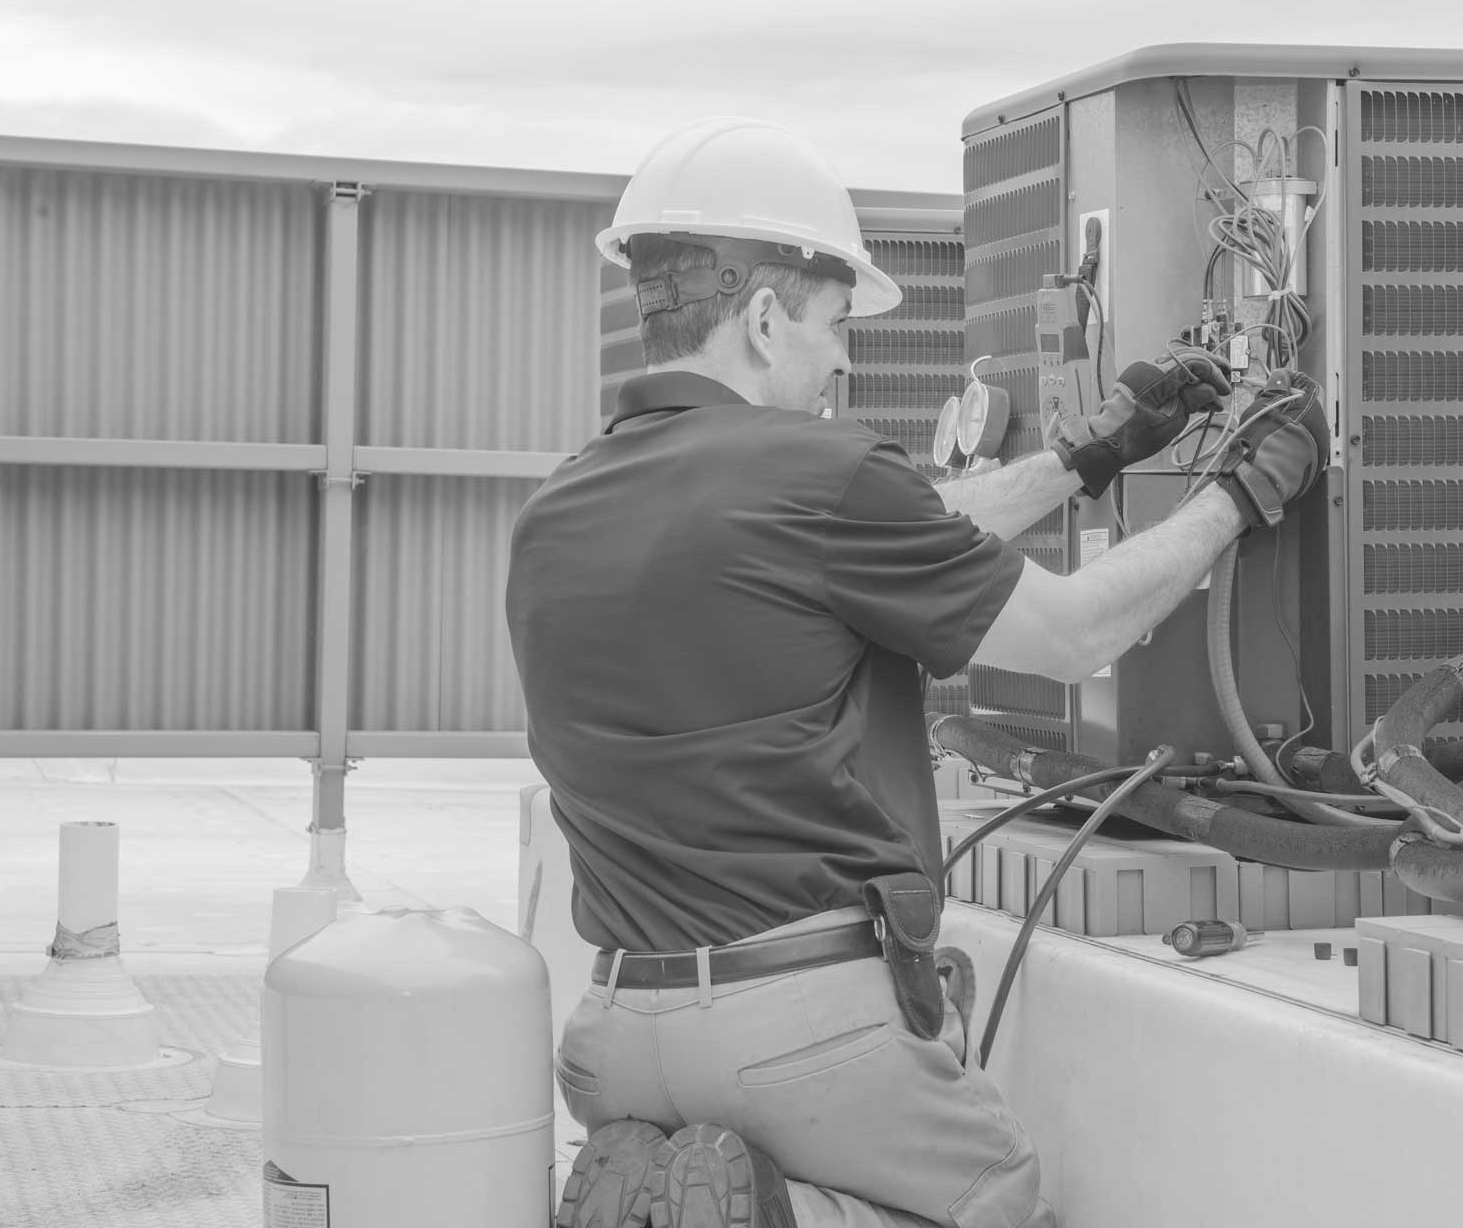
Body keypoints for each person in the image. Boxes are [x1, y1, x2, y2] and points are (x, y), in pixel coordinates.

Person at [505, 117, 1327, 1228]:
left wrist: (1095, 453)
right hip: (795, 1029)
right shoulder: (823, 474)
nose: (848, 359)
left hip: (614, 1034)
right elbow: (1077, 630)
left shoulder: (558, 506)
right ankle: (776, 1213)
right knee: (999, 1204)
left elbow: (905, 528)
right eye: (837, 325)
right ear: (760, 315)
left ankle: (669, 1195)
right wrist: (1239, 492)